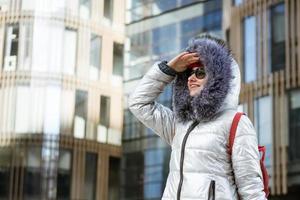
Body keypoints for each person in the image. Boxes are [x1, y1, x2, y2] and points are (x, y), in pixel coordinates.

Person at [129, 34, 267, 200]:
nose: (191, 78)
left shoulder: (236, 123)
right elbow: (138, 103)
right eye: (189, 74)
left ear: (218, 79)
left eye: (200, 72)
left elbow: (252, 191)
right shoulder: (179, 124)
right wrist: (169, 70)